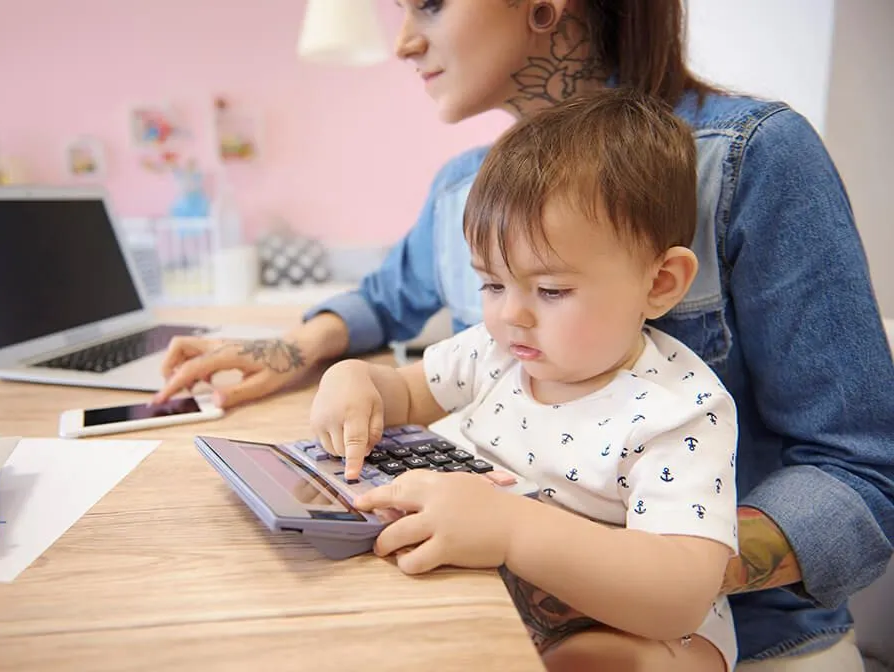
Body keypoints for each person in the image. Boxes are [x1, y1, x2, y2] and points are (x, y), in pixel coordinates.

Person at [154, 1, 894, 668]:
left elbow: (860, 470)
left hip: (725, 629)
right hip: (491, 588)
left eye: (430, 5)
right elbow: (382, 301)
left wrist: (594, 556)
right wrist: (304, 355)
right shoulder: (467, 190)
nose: (405, 41)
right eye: (490, 285)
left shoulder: (748, 158)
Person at [312, 89, 741, 671]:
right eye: (491, 284)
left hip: (632, 626)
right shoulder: (497, 351)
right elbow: (404, 393)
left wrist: (513, 529)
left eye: (552, 290)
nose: (511, 313)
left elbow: (679, 596)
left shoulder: (679, 410)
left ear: (661, 282)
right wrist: (354, 379)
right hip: (490, 591)